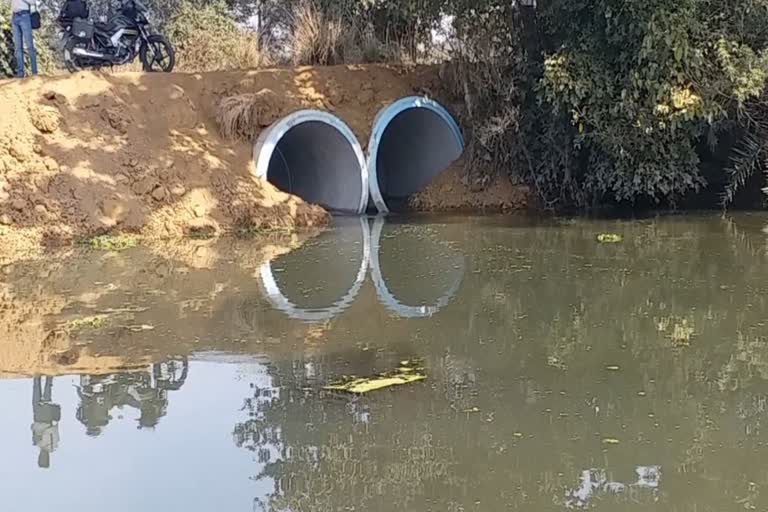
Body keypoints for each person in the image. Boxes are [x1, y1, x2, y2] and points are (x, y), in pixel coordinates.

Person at [10, 0, 37, 78]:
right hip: (14, 16)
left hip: (24, 16)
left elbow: (33, 2)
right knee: (18, 47)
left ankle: (34, 73)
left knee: (30, 46)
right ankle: (20, 73)